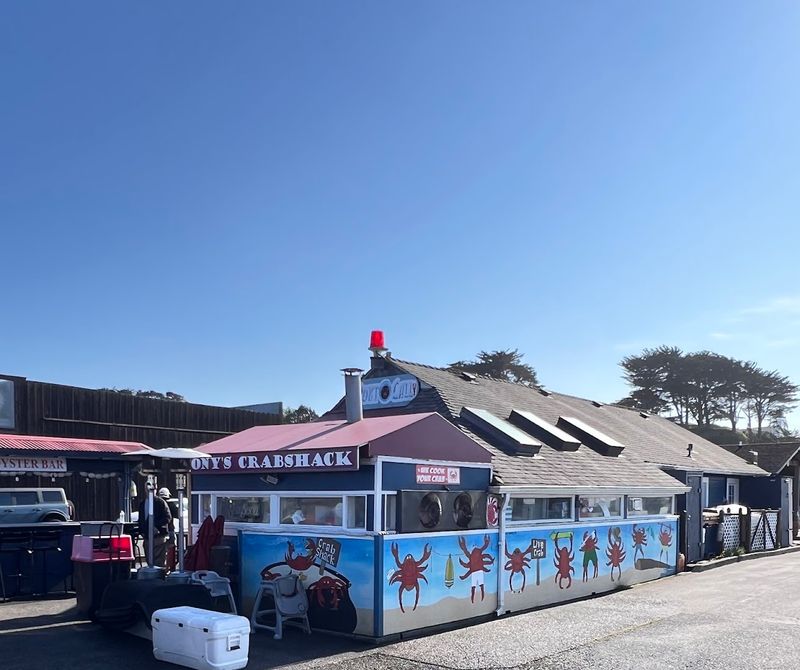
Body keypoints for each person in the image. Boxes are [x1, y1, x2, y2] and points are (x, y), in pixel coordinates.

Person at [138, 488, 174, 569]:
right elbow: (141, 519)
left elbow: (168, 517)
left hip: (159, 536)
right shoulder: (143, 503)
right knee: (149, 560)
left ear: (156, 490)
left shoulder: (160, 502)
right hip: (147, 537)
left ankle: (159, 578)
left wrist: (157, 527)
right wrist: (142, 531)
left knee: (159, 562)